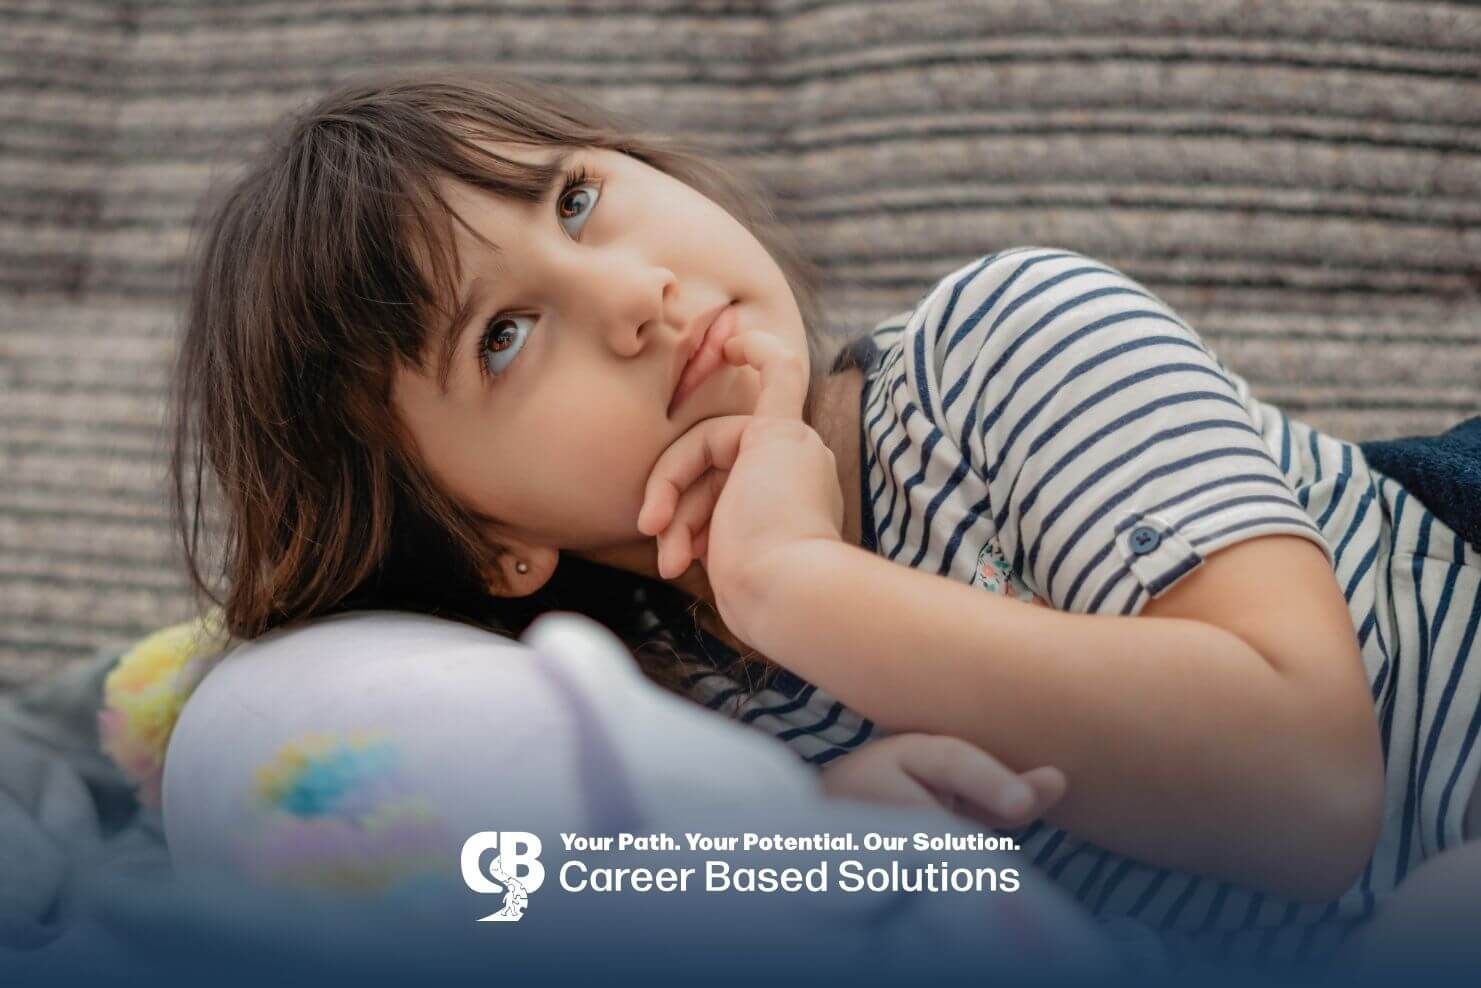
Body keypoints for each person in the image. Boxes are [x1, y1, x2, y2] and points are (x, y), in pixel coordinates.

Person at [166, 68, 1481, 972]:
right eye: (503, 336)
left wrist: (797, 581)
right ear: (480, 541)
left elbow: (1308, 793)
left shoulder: (1006, 345)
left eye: (574, 200)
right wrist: (822, 840)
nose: (633, 294)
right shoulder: (646, 732)